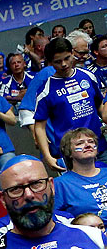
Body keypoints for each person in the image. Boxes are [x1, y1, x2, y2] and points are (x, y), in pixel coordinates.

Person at [29, 36, 105, 173]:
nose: (63, 64)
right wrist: (47, 156)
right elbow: (39, 127)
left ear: (72, 54)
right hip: (72, 154)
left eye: (67, 58)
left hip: (100, 146)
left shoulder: (88, 76)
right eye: (58, 61)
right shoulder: (45, 90)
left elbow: (101, 108)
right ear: (50, 63)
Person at [53, 127, 107, 219]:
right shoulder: (60, 184)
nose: (87, 145)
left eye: (91, 142)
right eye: (80, 143)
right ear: (68, 152)